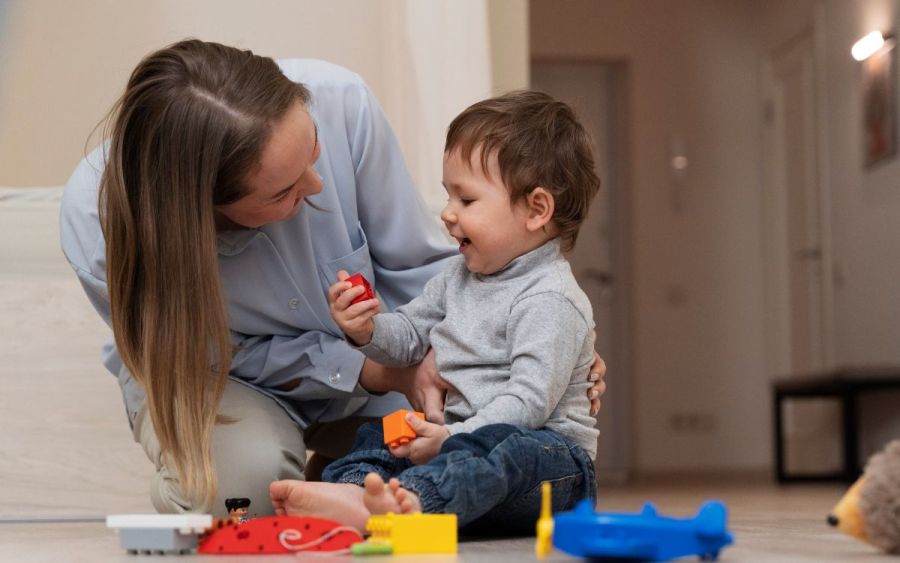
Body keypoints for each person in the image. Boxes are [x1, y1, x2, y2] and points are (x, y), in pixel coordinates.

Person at [60, 39, 607, 518]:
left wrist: (528, 351)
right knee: (241, 501)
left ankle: (345, 485)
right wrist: (373, 363)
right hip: (218, 375)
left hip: (414, 388)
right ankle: (323, 488)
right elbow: (202, 354)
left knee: (434, 450)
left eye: (314, 152)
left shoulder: (341, 101)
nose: (318, 185)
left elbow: (423, 274)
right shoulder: (97, 227)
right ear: (206, 208)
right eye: (283, 192)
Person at [270, 91, 602, 535]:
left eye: (466, 200)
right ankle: (355, 491)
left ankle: (413, 504)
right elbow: (409, 337)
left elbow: (528, 403)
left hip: (551, 464)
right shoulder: (457, 277)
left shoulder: (550, 297)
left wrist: (451, 438)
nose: (447, 214)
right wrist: (366, 329)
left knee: (507, 451)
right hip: (459, 442)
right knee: (381, 434)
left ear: (537, 209)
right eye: (448, 196)